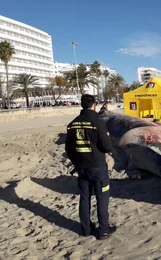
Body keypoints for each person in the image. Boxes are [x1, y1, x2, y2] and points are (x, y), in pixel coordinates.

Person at [65, 94, 116, 240]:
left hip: (81, 168)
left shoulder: (72, 124)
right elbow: (107, 146)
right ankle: (103, 231)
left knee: (84, 197)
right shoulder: (98, 122)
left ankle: (86, 229)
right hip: (97, 167)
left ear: (82, 105)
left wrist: (77, 161)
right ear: (94, 105)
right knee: (102, 197)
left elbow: (68, 148)